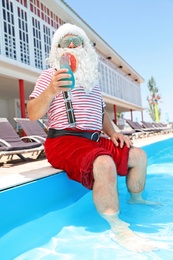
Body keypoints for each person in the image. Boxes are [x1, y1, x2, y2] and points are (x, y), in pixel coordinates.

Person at [27, 23, 158, 253]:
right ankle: (119, 229)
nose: (70, 46)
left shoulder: (91, 80)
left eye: (76, 42)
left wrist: (115, 133)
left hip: (94, 140)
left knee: (138, 156)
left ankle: (136, 200)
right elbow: (31, 113)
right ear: (56, 49)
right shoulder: (50, 75)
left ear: (85, 47)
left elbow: (101, 112)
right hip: (64, 140)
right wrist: (51, 90)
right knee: (104, 162)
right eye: (64, 42)